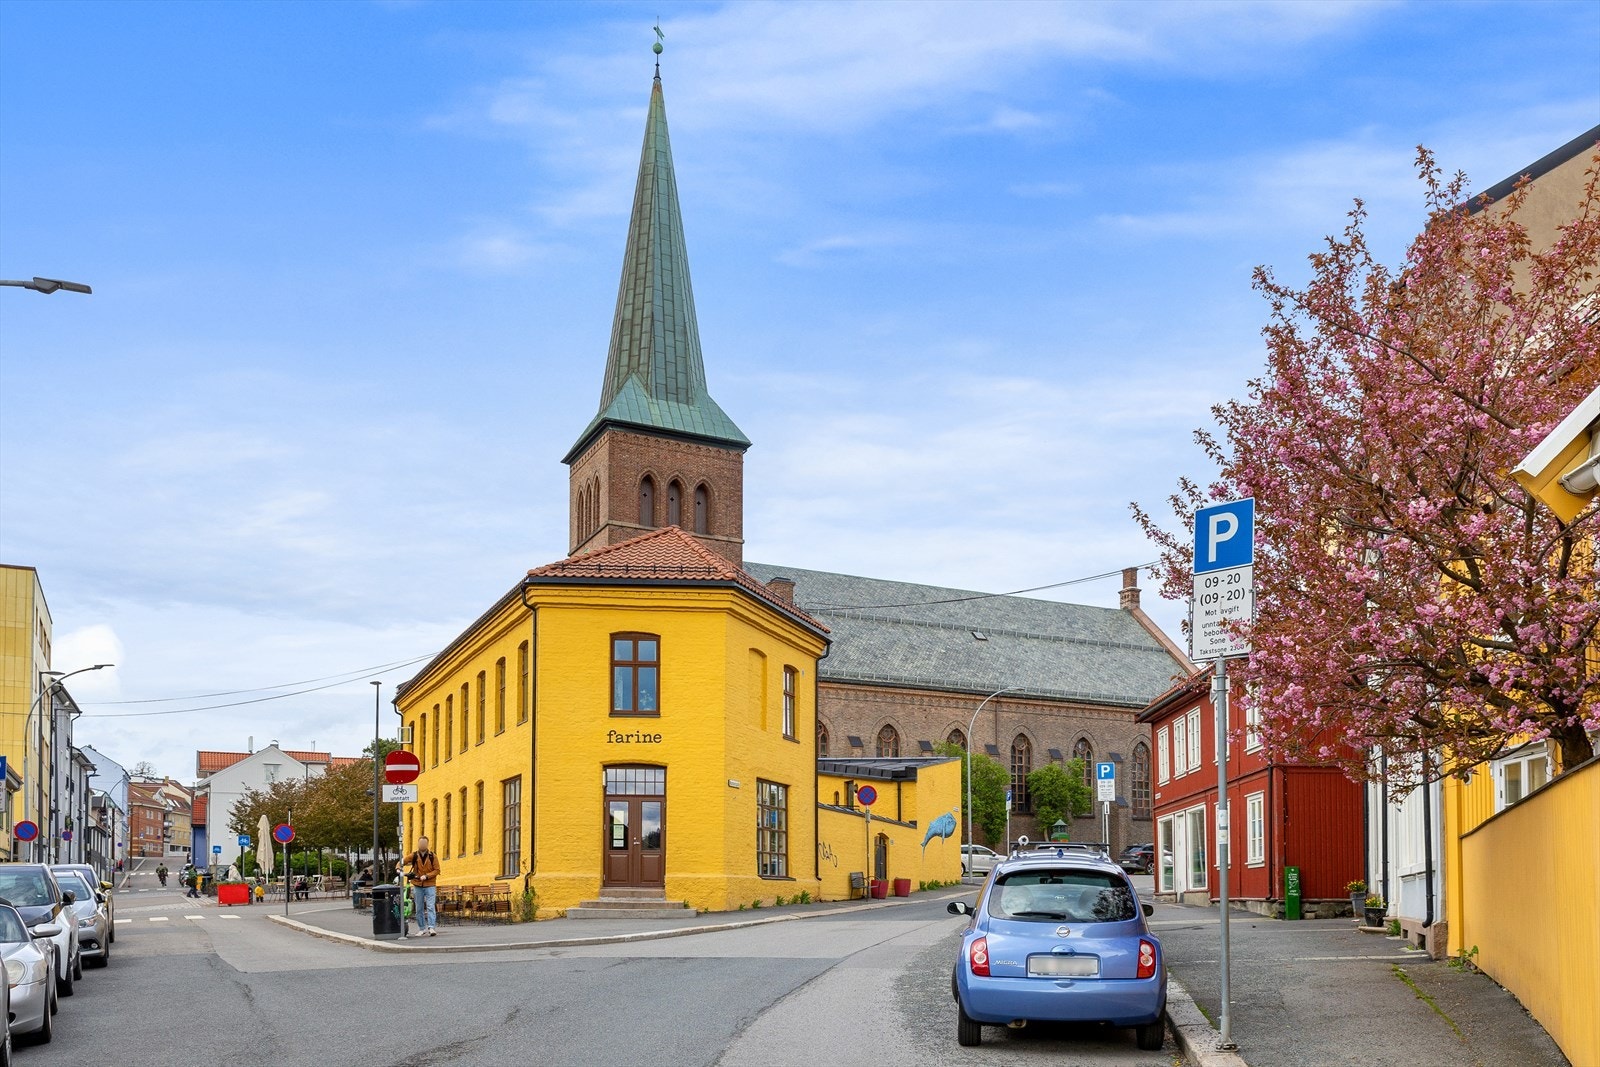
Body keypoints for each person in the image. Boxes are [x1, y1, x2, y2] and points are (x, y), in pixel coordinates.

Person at [401, 836, 441, 936]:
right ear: (418, 844)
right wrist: (398, 868)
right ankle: (422, 928)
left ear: (427, 844)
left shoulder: (432, 856)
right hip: (417, 884)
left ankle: (431, 927)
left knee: (430, 906)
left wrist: (427, 876)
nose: (422, 845)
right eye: (420, 843)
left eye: (424, 843)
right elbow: (402, 861)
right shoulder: (414, 855)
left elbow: (437, 870)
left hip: (430, 884)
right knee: (419, 908)